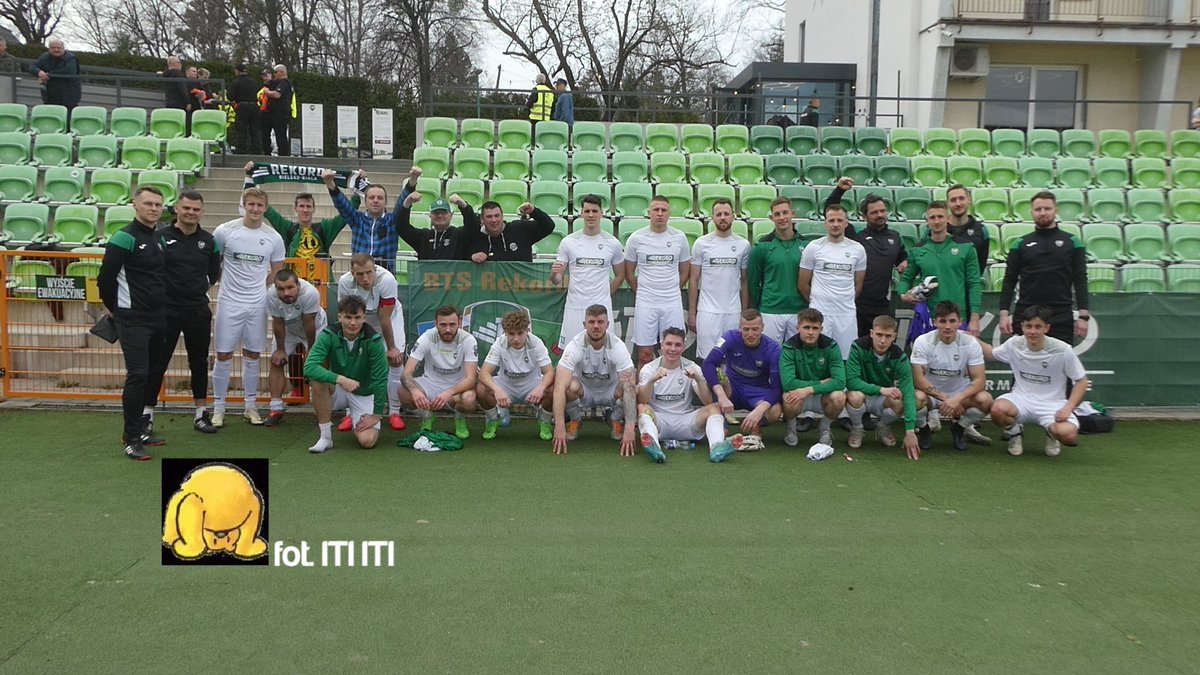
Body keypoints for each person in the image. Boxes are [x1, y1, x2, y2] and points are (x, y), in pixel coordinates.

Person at [142, 190, 221, 436]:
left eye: (196, 209)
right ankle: (146, 416)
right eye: (186, 208)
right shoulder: (160, 237)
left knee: (199, 362)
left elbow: (213, 273)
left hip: (197, 309)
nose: (191, 213)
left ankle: (201, 414)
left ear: (202, 212)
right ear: (177, 208)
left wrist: (196, 291)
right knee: (157, 363)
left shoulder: (209, 241)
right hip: (165, 310)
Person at [97, 186, 168, 460]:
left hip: (157, 317)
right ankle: (131, 437)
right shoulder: (123, 238)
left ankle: (142, 428)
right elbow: (105, 278)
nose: (153, 208)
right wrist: (114, 309)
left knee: (152, 373)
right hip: (132, 318)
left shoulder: (158, 239)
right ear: (135, 206)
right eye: (148, 203)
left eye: (158, 204)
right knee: (138, 375)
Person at [210, 186, 286, 427]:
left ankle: (250, 406)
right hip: (228, 302)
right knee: (223, 355)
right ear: (244, 205)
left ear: (265, 208)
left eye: (260, 205)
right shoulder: (224, 231)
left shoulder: (273, 237)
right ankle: (218, 407)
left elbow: (276, 272)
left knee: (253, 355)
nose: (255, 209)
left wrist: (256, 289)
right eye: (251, 204)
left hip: (257, 304)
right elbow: (215, 264)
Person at [976, 305, 1089, 457]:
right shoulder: (1015, 343)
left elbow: (1081, 381)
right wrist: (971, 338)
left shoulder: (1062, 350)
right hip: (1021, 400)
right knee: (997, 410)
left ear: (1046, 328)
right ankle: (1015, 433)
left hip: (1052, 405)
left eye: (1038, 327)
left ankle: (1052, 434)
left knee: (1068, 435)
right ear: (1022, 327)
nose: (1032, 331)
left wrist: (1068, 408)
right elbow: (991, 353)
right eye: (1028, 326)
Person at [998, 191, 1089, 344]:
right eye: (1038, 209)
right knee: (1024, 364)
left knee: (1059, 365)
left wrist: (1083, 316)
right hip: (1026, 313)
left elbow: (1080, 279)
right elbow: (1009, 280)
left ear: (1056, 210)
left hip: (1060, 314)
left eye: (1047, 209)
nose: (1042, 213)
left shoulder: (1073, 242)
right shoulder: (1020, 243)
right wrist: (1004, 314)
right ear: (1031, 212)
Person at [637, 328, 736, 463]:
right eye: (669, 344)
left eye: (677, 345)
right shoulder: (649, 368)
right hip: (659, 422)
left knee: (715, 407)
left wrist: (698, 379)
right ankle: (654, 447)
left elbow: (707, 401)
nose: (672, 349)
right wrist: (651, 380)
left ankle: (717, 448)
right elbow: (642, 399)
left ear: (683, 347)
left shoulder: (692, 367)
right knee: (642, 408)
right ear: (661, 345)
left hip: (685, 422)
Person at [825, 177, 908, 337]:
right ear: (864, 216)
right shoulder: (856, 236)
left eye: (882, 211)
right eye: (874, 212)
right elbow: (830, 209)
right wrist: (840, 190)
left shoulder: (896, 237)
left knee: (883, 348)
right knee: (858, 349)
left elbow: (902, 258)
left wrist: (904, 262)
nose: (880, 215)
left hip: (883, 306)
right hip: (857, 306)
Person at [303, 296, 387, 453]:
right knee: (318, 380)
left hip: (364, 392)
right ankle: (325, 437)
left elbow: (381, 380)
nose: (353, 323)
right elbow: (309, 367)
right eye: (348, 317)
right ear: (339, 317)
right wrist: (341, 379)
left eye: (357, 317)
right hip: (339, 388)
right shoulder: (328, 334)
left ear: (364, 318)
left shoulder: (374, 340)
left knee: (367, 441)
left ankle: (357, 420)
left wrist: (376, 415)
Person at [552, 305, 638, 456]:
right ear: (584, 325)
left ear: (607, 324)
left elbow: (629, 387)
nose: (596, 326)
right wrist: (559, 427)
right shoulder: (574, 345)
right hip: (584, 391)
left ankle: (616, 419)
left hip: (611, 392)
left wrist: (630, 429)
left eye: (600, 322)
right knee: (566, 386)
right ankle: (575, 420)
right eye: (591, 322)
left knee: (630, 387)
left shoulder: (618, 346)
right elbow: (559, 388)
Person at [336, 253, 407, 431]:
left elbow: (384, 317)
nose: (365, 278)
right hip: (359, 320)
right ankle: (350, 413)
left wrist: (391, 348)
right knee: (354, 361)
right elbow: (347, 316)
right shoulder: (345, 282)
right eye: (360, 274)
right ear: (352, 273)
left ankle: (394, 411)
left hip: (389, 318)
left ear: (375, 269)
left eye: (369, 272)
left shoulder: (387, 280)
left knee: (395, 360)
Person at [910, 301, 993, 451]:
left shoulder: (970, 343)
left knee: (986, 400)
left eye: (952, 321)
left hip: (958, 393)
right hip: (931, 395)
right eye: (942, 321)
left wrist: (957, 399)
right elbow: (918, 380)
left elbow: (980, 381)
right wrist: (947, 399)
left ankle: (959, 428)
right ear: (935, 322)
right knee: (915, 399)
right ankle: (924, 429)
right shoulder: (923, 341)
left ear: (960, 323)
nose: (947, 326)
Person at [550, 194, 625, 349]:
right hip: (575, 307)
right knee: (570, 355)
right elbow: (556, 279)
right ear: (581, 213)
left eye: (595, 211)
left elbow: (620, 275)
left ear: (601, 213)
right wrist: (554, 273)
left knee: (605, 351)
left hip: (602, 308)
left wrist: (604, 293)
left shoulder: (612, 243)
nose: (591, 215)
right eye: (587, 211)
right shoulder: (568, 242)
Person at [701, 309, 784, 448]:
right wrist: (721, 395)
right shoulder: (729, 337)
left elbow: (777, 387)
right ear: (740, 328)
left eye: (755, 329)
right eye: (746, 329)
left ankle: (754, 422)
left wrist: (760, 410)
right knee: (704, 384)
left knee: (775, 411)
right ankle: (721, 423)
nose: (750, 334)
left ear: (762, 328)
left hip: (757, 391)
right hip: (732, 388)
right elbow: (708, 364)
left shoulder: (773, 348)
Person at [624, 196, 690, 369]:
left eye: (663, 210)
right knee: (645, 355)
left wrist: (672, 289)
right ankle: (644, 395)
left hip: (671, 302)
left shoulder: (680, 238)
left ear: (669, 214)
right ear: (649, 213)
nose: (659, 214)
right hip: (646, 301)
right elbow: (629, 272)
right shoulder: (636, 238)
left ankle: (670, 393)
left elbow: (685, 271)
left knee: (672, 353)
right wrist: (641, 291)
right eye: (656, 210)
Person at [898, 201, 982, 335]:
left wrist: (974, 318)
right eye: (932, 217)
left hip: (956, 318)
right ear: (927, 221)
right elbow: (906, 279)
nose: (936, 221)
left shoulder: (966, 247)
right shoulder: (917, 250)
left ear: (948, 219)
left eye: (940, 216)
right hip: (928, 316)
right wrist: (903, 294)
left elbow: (974, 284)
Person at [246, 161, 358, 263]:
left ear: (314, 209)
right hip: (294, 282)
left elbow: (347, 212)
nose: (305, 210)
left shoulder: (325, 228)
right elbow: (266, 208)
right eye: (302, 206)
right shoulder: (287, 228)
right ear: (296, 208)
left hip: (319, 282)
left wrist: (357, 185)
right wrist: (250, 176)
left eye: (308, 206)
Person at [844, 315, 920, 460]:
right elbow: (851, 381)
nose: (883, 340)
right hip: (863, 395)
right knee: (853, 396)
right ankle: (857, 427)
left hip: (883, 400)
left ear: (894, 337)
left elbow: (908, 391)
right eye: (879, 335)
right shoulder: (858, 346)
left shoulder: (899, 356)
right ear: (872, 333)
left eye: (887, 336)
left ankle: (883, 425)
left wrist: (910, 430)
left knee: (900, 401)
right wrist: (881, 389)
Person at [798, 202, 867, 361]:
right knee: (818, 357)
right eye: (831, 220)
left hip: (846, 313)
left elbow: (858, 284)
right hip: (820, 313)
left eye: (839, 220)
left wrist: (844, 299)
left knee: (846, 357)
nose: (835, 224)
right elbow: (802, 284)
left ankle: (842, 387)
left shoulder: (857, 249)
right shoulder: (813, 247)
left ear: (846, 223)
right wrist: (817, 301)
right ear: (825, 223)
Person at [400, 305, 479, 439]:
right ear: (435, 323)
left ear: (459, 322)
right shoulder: (427, 337)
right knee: (403, 392)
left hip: (456, 387)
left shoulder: (468, 340)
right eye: (443, 325)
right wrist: (415, 391)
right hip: (430, 384)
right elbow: (406, 374)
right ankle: (427, 417)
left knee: (469, 399)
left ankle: (459, 419)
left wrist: (448, 393)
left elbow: (471, 379)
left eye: (452, 324)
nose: (448, 329)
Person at [476, 310, 555, 441]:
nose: (516, 338)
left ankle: (544, 421)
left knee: (552, 389)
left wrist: (540, 388)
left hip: (531, 386)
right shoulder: (499, 343)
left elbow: (549, 372)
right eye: (511, 334)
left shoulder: (536, 343)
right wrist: (497, 390)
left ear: (527, 330)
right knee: (481, 389)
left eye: (520, 333)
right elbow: (484, 373)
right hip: (506, 386)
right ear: (505, 332)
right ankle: (493, 420)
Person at [688, 197, 750, 359]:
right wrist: (692, 313)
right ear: (712, 217)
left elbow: (744, 281)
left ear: (733, 216)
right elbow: (693, 280)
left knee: (732, 360)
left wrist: (744, 312)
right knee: (708, 360)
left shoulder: (743, 245)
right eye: (719, 214)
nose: (723, 217)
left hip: (733, 312)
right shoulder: (701, 244)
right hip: (707, 312)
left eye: (726, 214)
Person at [263, 269, 327, 426]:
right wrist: (280, 349)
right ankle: (276, 408)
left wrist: (311, 351)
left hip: (314, 328)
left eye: (290, 288)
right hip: (289, 329)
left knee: (319, 365)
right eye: (281, 289)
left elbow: (309, 323)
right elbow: (277, 322)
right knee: (276, 361)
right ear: (276, 288)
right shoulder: (271, 295)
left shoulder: (310, 293)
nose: (286, 293)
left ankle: (322, 409)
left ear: (298, 285)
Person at [779, 308, 846, 449]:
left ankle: (824, 429)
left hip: (821, 395)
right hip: (799, 395)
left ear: (821, 328)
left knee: (839, 396)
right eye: (806, 327)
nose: (810, 332)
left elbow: (840, 381)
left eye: (815, 328)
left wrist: (809, 389)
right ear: (798, 328)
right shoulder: (789, 347)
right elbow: (788, 383)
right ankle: (791, 429)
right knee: (788, 397)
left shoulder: (831, 346)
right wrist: (819, 383)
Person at [324, 168, 409, 272]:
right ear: (365, 201)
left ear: (386, 202)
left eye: (380, 198)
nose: (376, 201)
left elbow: (402, 203)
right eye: (372, 197)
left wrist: (412, 180)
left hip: (385, 275)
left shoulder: (392, 220)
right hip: (360, 274)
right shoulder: (357, 220)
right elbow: (342, 204)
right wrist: (330, 183)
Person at [747, 197, 806, 343]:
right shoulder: (762, 247)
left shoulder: (807, 246)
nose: (782, 218)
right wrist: (764, 303)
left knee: (796, 358)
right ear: (771, 218)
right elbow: (753, 283)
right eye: (777, 214)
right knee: (770, 357)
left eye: (785, 213)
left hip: (799, 311)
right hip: (770, 311)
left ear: (793, 214)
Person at [468, 200, 555, 262]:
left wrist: (534, 211)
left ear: (502, 217)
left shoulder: (520, 229)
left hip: (522, 286)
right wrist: (472, 257)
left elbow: (548, 226)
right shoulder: (476, 237)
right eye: (489, 217)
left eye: (497, 215)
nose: (494, 220)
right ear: (482, 220)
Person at [943, 184, 991, 276]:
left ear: (969, 200)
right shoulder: (936, 229)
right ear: (947, 204)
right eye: (953, 200)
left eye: (961, 198)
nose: (958, 203)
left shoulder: (981, 230)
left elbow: (981, 264)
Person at [32, 39, 81, 114]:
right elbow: (31, 67)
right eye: (53, 47)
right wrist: (39, 72)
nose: (56, 50)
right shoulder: (45, 57)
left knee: (68, 119)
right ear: (49, 49)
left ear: (63, 48)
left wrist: (48, 75)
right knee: (52, 117)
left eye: (58, 48)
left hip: (69, 95)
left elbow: (69, 71)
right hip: (51, 95)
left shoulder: (71, 58)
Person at [228, 64, 262, 154]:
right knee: (255, 129)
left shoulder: (236, 82)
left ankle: (241, 149)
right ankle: (257, 149)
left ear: (237, 71)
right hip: (255, 106)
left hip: (242, 106)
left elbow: (230, 96)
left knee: (241, 129)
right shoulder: (253, 81)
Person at [266, 64, 293, 156]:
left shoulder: (284, 83)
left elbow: (277, 94)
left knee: (281, 134)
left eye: (275, 72)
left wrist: (267, 92)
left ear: (281, 72)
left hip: (281, 113)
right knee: (278, 134)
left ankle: (284, 154)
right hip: (276, 113)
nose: (274, 74)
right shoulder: (278, 82)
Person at [257, 69, 274, 154]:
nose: (264, 78)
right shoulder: (263, 88)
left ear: (271, 75)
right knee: (265, 134)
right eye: (263, 76)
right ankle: (267, 151)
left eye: (266, 76)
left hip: (274, 113)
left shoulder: (275, 85)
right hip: (264, 114)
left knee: (279, 135)